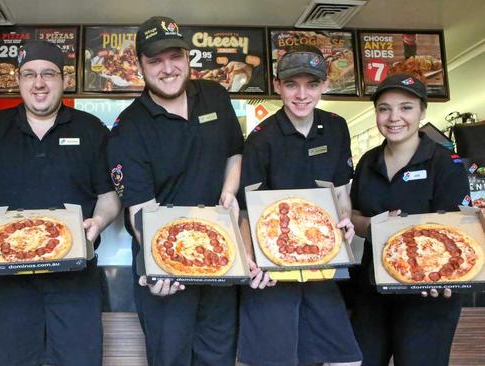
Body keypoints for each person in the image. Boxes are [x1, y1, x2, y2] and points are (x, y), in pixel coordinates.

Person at [0, 41, 120, 366]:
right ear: (18, 81)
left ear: (63, 80)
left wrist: (99, 222)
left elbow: (108, 197)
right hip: (4, 276)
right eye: (29, 74)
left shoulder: (91, 129)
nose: (39, 83)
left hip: (75, 275)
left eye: (48, 74)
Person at [107, 16, 244, 366]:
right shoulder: (129, 127)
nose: (168, 68)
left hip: (221, 257)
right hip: (167, 266)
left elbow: (234, 152)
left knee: (218, 356)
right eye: (155, 60)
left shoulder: (214, 94)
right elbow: (140, 209)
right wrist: (159, 264)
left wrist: (229, 192)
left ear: (188, 58)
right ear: (140, 66)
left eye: (175, 57)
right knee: (171, 358)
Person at [237, 45, 362, 366]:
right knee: (273, 359)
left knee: (345, 358)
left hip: (321, 261)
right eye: (292, 84)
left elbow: (339, 193)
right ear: (277, 86)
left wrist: (345, 220)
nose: (302, 94)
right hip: (273, 267)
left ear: (324, 85)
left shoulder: (336, 128)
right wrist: (250, 258)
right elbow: (248, 210)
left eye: (312, 84)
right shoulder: (260, 139)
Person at [349, 73, 470, 365]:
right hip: (373, 289)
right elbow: (352, 216)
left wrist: (441, 272)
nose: (394, 117)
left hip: (428, 291)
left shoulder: (446, 163)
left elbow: (457, 227)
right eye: (384, 108)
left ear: (422, 112)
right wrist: (373, 226)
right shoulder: (368, 161)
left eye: (406, 107)